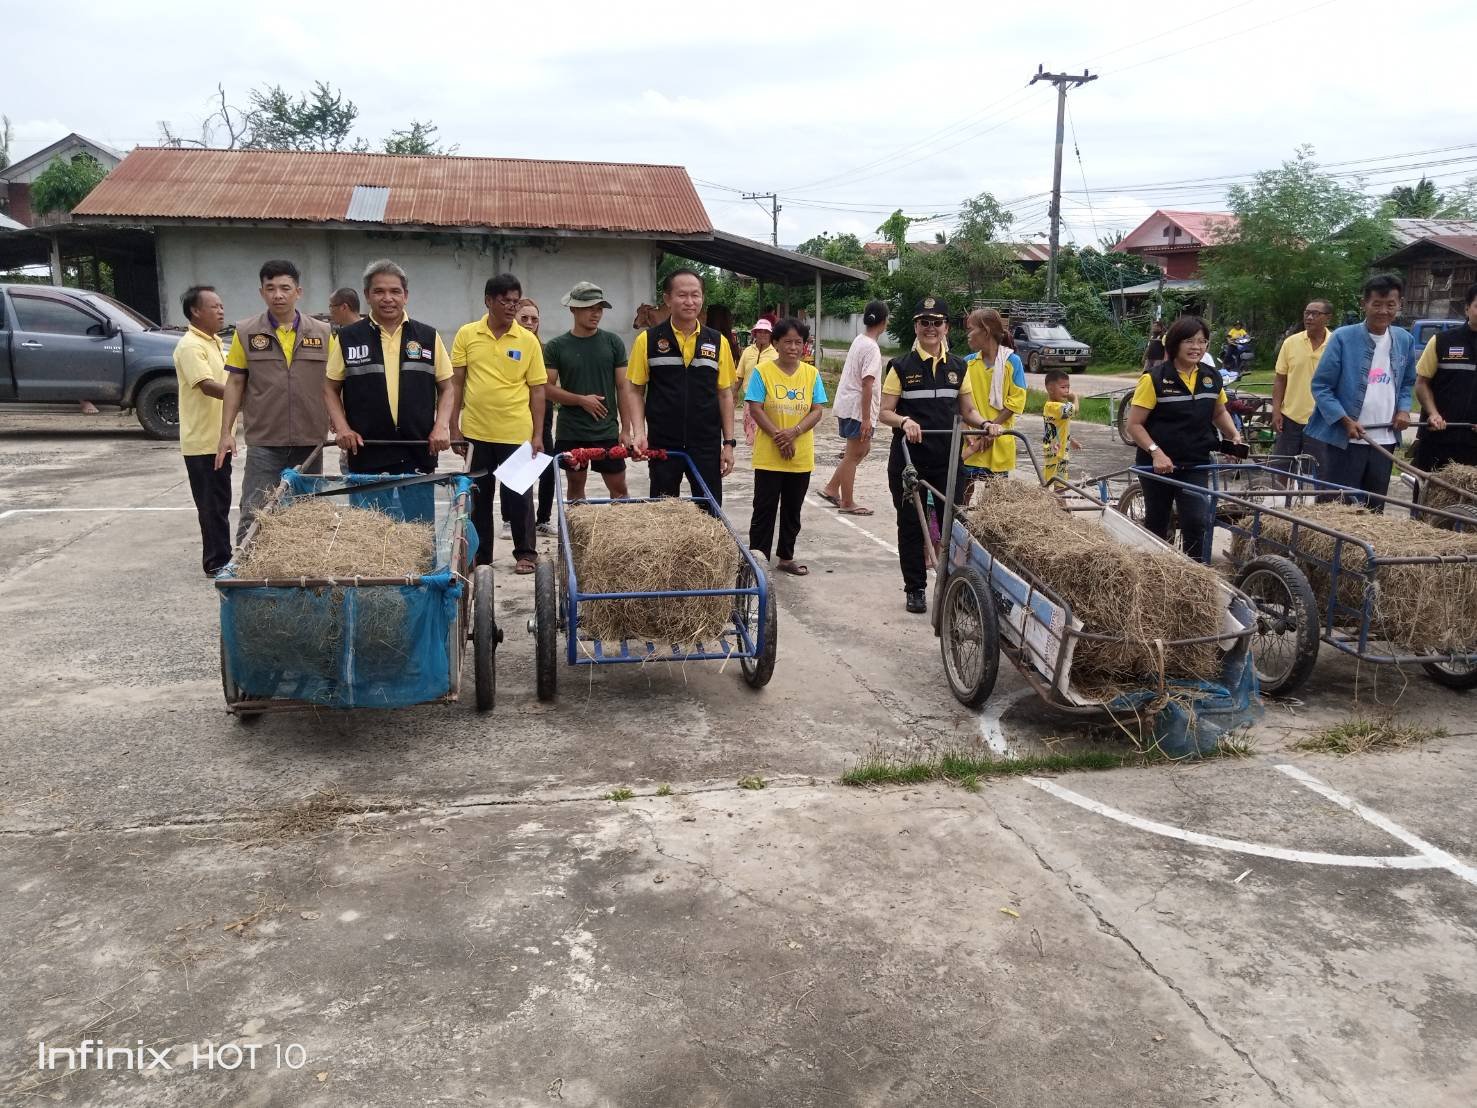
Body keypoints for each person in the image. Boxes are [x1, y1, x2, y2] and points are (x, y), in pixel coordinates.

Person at [878, 296, 992, 613]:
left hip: (948, 461)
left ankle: (952, 586)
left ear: (946, 327)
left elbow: (967, 409)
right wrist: (905, 421)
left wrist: (984, 423)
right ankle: (915, 588)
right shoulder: (900, 367)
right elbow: (884, 412)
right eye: (924, 322)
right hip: (909, 462)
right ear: (916, 326)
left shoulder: (959, 366)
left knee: (950, 525)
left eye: (937, 322)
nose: (931, 328)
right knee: (912, 525)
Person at [322, 260, 454, 522]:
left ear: (405, 296)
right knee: (370, 535)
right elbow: (329, 386)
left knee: (419, 532)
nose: (388, 298)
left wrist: (441, 426)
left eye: (395, 291)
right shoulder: (348, 338)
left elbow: (447, 386)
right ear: (368, 296)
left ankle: (422, 566)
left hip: (417, 449)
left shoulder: (427, 336)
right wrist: (343, 427)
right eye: (379, 291)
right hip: (367, 452)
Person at [215, 259, 333, 543]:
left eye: (285, 288)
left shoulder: (323, 332)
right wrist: (225, 433)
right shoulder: (246, 331)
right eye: (271, 288)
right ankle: (246, 571)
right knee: (255, 509)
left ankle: (303, 572)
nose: (278, 295)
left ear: (298, 292)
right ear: (261, 292)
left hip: (310, 439)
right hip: (265, 440)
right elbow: (234, 382)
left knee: (306, 510)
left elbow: (334, 384)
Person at [451, 274, 548, 574]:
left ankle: (526, 554)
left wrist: (538, 434)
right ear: (488, 301)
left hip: (515, 431)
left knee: (519, 496)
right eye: (504, 301)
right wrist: (453, 427)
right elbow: (456, 383)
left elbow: (537, 389)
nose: (510, 307)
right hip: (476, 433)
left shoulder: (528, 340)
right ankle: (482, 556)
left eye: (514, 301)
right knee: (478, 498)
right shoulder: (467, 334)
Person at [1126, 316, 1243, 561]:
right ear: (1176, 344)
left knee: (1196, 521)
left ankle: (1195, 575)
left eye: (1202, 342)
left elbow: (1218, 411)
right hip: (1157, 465)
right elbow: (1134, 425)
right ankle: (1157, 572)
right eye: (1190, 341)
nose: (1197, 347)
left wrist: (1233, 435)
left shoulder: (1211, 377)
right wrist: (1156, 452)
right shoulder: (1154, 379)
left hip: (1195, 462)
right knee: (1158, 522)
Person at [1307, 274, 1418, 510]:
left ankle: (1367, 548)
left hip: (1384, 440)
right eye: (1376, 304)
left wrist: (1404, 410)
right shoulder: (1343, 338)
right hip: (1347, 442)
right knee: (1339, 508)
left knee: (1374, 508)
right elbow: (1321, 386)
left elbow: (1408, 382)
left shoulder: (1404, 340)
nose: (1383, 311)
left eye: (1390, 305)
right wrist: (1345, 420)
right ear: (1364, 304)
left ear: (1400, 304)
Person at [627, 268, 737, 505]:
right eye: (682, 295)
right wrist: (639, 433)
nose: (690, 302)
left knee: (710, 512)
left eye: (695, 295)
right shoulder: (647, 340)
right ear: (667, 299)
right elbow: (635, 391)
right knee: (663, 513)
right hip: (663, 442)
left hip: (705, 443)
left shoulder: (718, 342)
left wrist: (728, 443)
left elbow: (725, 394)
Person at [746, 318, 828, 575]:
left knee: (793, 509)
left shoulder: (811, 374)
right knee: (764, 509)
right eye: (787, 342)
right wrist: (779, 437)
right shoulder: (763, 372)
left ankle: (785, 557)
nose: (793, 347)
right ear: (776, 343)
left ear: (805, 346)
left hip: (800, 456)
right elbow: (755, 407)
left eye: (799, 342)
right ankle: (758, 560)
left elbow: (817, 409)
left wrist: (794, 432)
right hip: (769, 455)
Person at [544, 281, 632, 502]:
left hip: (606, 430)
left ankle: (621, 535)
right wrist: (580, 400)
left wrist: (626, 429)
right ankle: (576, 537)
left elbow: (623, 387)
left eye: (599, 308)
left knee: (619, 489)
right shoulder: (557, 346)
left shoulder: (613, 342)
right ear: (573, 309)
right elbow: (546, 388)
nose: (596, 314)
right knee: (575, 490)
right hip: (572, 430)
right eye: (589, 308)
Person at [173, 285, 231, 575]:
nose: (221, 311)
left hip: (219, 438)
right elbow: (207, 386)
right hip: (202, 442)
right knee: (211, 505)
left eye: (221, 306)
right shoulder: (190, 346)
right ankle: (216, 563)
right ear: (195, 311)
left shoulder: (214, 342)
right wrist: (248, 400)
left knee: (221, 502)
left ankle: (224, 556)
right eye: (214, 306)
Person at [819, 300, 888, 514]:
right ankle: (847, 502)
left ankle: (832, 487)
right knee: (853, 454)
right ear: (885, 322)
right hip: (858, 409)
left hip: (850, 405)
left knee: (861, 450)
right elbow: (867, 383)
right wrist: (866, 418)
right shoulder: (872, 348)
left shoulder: (860, 340)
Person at [1413, 281, 1477, 476]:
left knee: (1466, 505)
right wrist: (1433, 413)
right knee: (1427, 499)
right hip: (1437, 438)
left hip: (1474, 445)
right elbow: (1422, 383)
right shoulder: (1442, 341)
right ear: (1467, 308)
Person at [959, 308, 1026, 491]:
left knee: (994, 500)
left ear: (986, 330)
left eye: (970, 329)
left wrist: (991, 428)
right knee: (963, 492)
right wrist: (971, 432)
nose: (968, 335)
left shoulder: (1012, 362)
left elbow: (1016, 401)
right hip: (971, 440)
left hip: (999, 439)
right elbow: (959, 404)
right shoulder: (967, 363)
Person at [1271, 299, 1333, 477]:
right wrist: (1276, 411)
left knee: (1320, 471)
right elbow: (1280, 379)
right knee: (1282, 469)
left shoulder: (1336, 343)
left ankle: (1318, 505)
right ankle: (1281, 503)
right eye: (1307, 313)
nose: (1310, 317)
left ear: (1327, 318)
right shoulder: (1291, 342)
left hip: (1322, 420)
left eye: (1316, 313)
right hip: (1290, 417)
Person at [513, 297, 558, 536]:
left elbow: (547, 386)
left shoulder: (543, 348)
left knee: (546, 466)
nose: (530, 323)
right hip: (516, 415)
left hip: (543, 413)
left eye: (534, 319)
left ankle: (543, 519)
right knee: (517, 468)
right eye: (524, 318)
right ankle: (510, 519)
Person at [736, 318, 778, 445]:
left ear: (770, 334)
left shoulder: (775, 354)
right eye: (760, 331)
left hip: (768, 400)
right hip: (750, 399)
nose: (763, 334)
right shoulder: (747, 352)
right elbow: (740, 375)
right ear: (755, 334)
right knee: (750, 430)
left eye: (766, 332)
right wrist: (733, 393)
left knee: (765, 433)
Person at [1040, 369, 1080, 486]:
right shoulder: (1053, 406)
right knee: (1047, 486)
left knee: (1061, 488)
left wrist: (1071, 440)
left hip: (1062, 455)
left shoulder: (1056, 407)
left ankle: (1061, 504)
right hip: (1054, 455)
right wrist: (1075, 398)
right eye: (1063, 388)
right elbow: (1075, 410)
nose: (1067, 391)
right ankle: (1041, 502)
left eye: (1068, 387)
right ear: (1050, 389)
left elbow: (1058, 429)